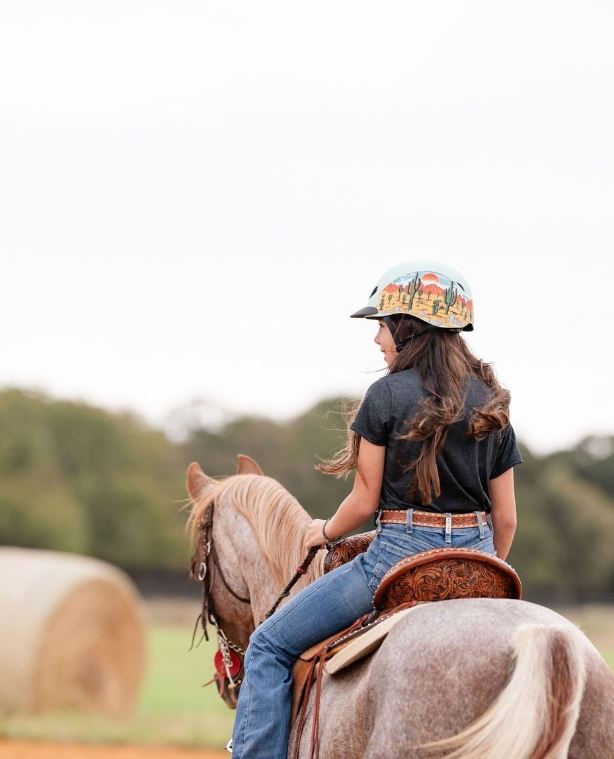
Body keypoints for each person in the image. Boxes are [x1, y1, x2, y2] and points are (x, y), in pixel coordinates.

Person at [229, 260, 523, 758]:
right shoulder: (490, 400)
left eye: (381, 326)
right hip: (480, 558)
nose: (376, 339)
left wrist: (322, 531)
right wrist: (487, 563)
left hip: (398, 557)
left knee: (267, 646)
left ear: (408, 328)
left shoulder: (384, 395)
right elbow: (507, 518)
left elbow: (363, 502)